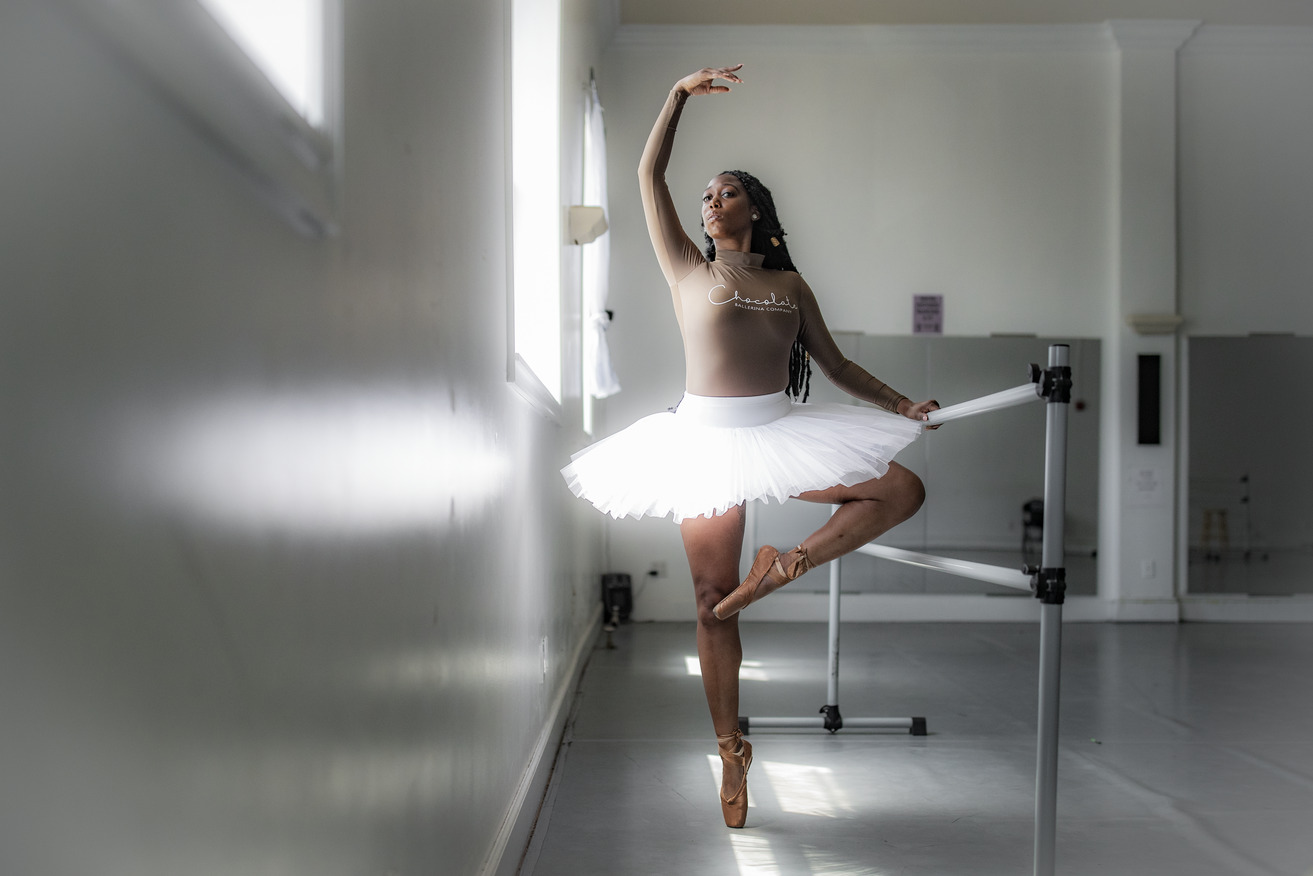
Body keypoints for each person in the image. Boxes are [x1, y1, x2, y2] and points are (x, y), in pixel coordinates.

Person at [561, 65, 940, 829]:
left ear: (756, 211)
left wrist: (900, 402)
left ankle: (778, 572)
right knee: (710, 604)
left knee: (900, 489)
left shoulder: (790, 285)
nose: (710, 199)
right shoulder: (686, 268)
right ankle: (731, 753)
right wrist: (675, 95)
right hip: (702, 441)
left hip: (778, 434)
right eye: (706, 193)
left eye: (726, 190)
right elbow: (648, 172)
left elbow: (832, 366)